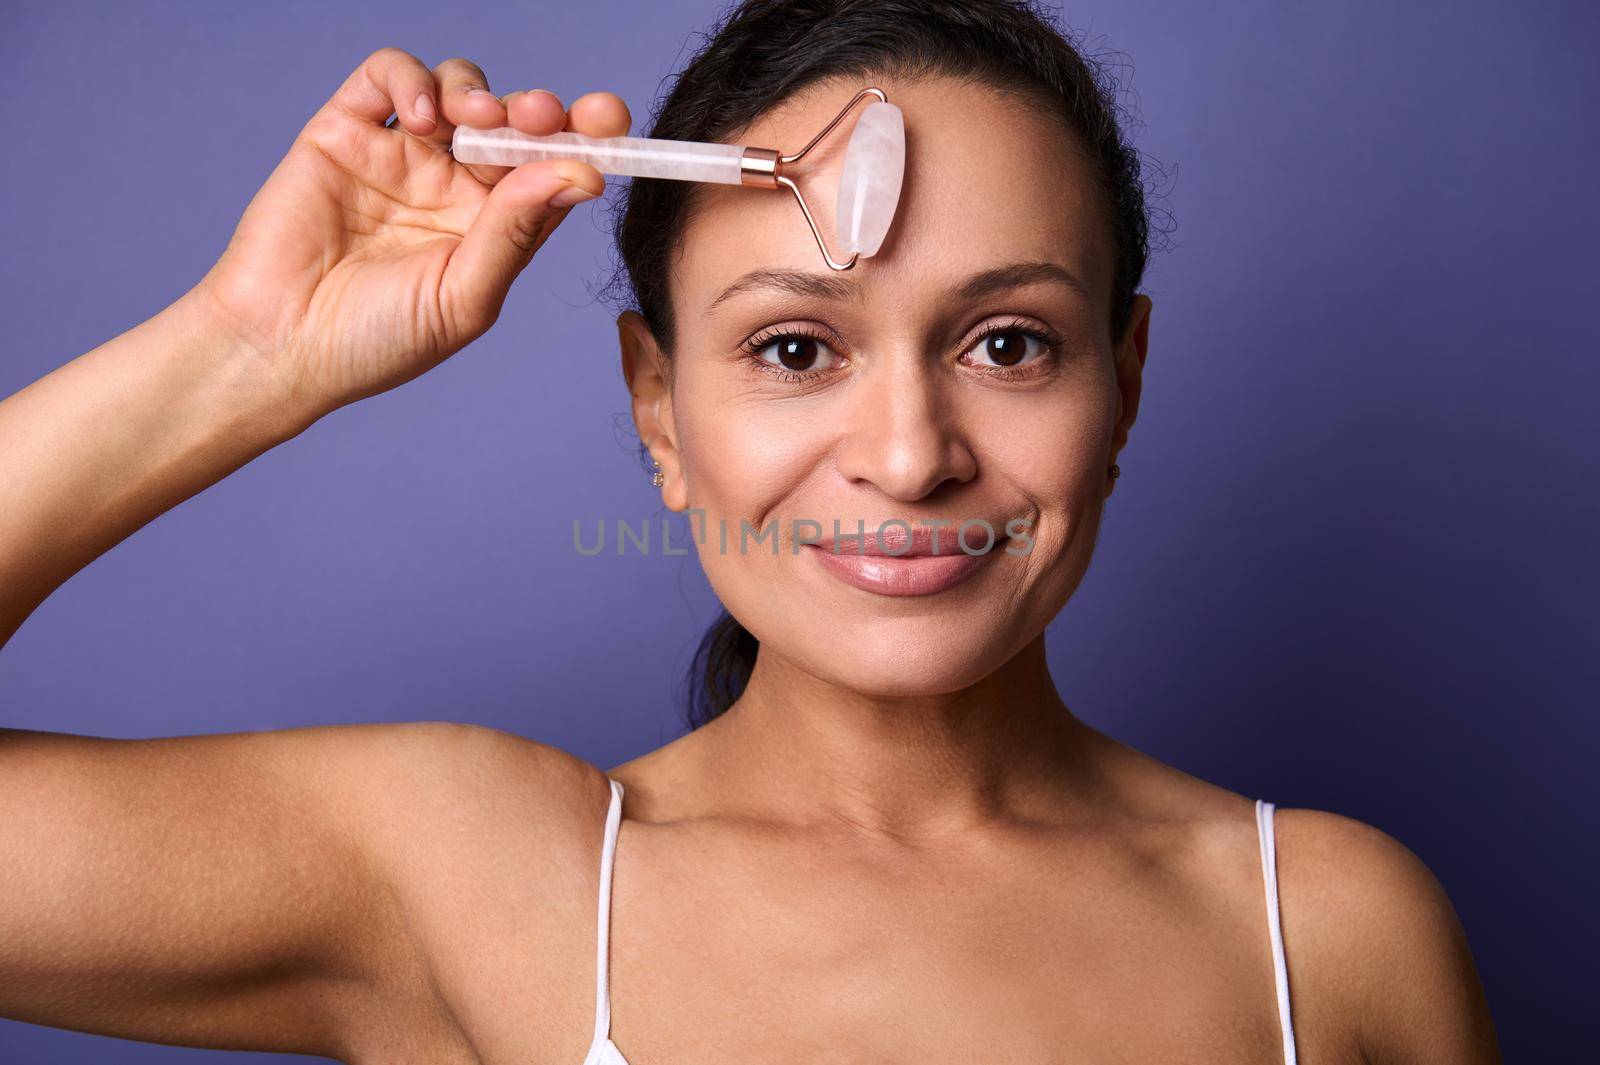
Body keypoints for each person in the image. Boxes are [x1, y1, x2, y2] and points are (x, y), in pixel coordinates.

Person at [0, 1, 1499, 1062]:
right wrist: (248, 346)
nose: (911, 457)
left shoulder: (1331, 928)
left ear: (1126, 383)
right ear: (659, 408)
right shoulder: (479, 879)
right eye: (795, 349)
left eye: (1010, 344)